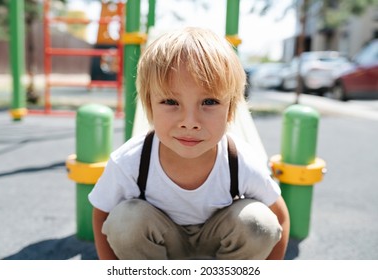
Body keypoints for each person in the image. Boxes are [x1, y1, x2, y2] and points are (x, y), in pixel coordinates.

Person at [89, 27, 290, 260]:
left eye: (209, 101)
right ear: (149, 106)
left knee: (258, 222)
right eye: (171, 101)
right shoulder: (130, 161)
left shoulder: (240, 161)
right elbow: (101, 216)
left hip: (217, 250)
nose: (190, 122)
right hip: (160, 248)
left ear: (231, 110)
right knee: (125, 220)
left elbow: (280, 218)